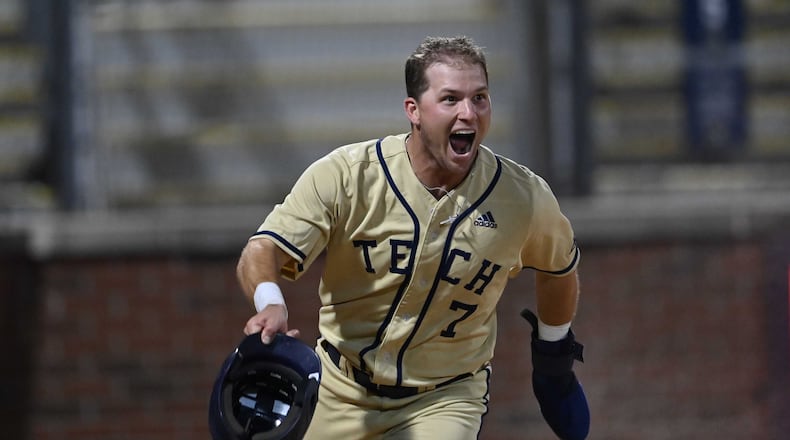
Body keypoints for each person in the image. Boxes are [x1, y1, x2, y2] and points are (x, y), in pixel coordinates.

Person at [235, 35, 588, 439]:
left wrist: (552, 356)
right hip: (339, 387)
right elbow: (263, 248)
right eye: (451, 99)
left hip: (445, 397)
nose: (469, 113)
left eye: (480, 98)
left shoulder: (524, 197)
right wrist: (271, 302)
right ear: (414, 111)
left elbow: (559, 269)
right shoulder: (348, 175)